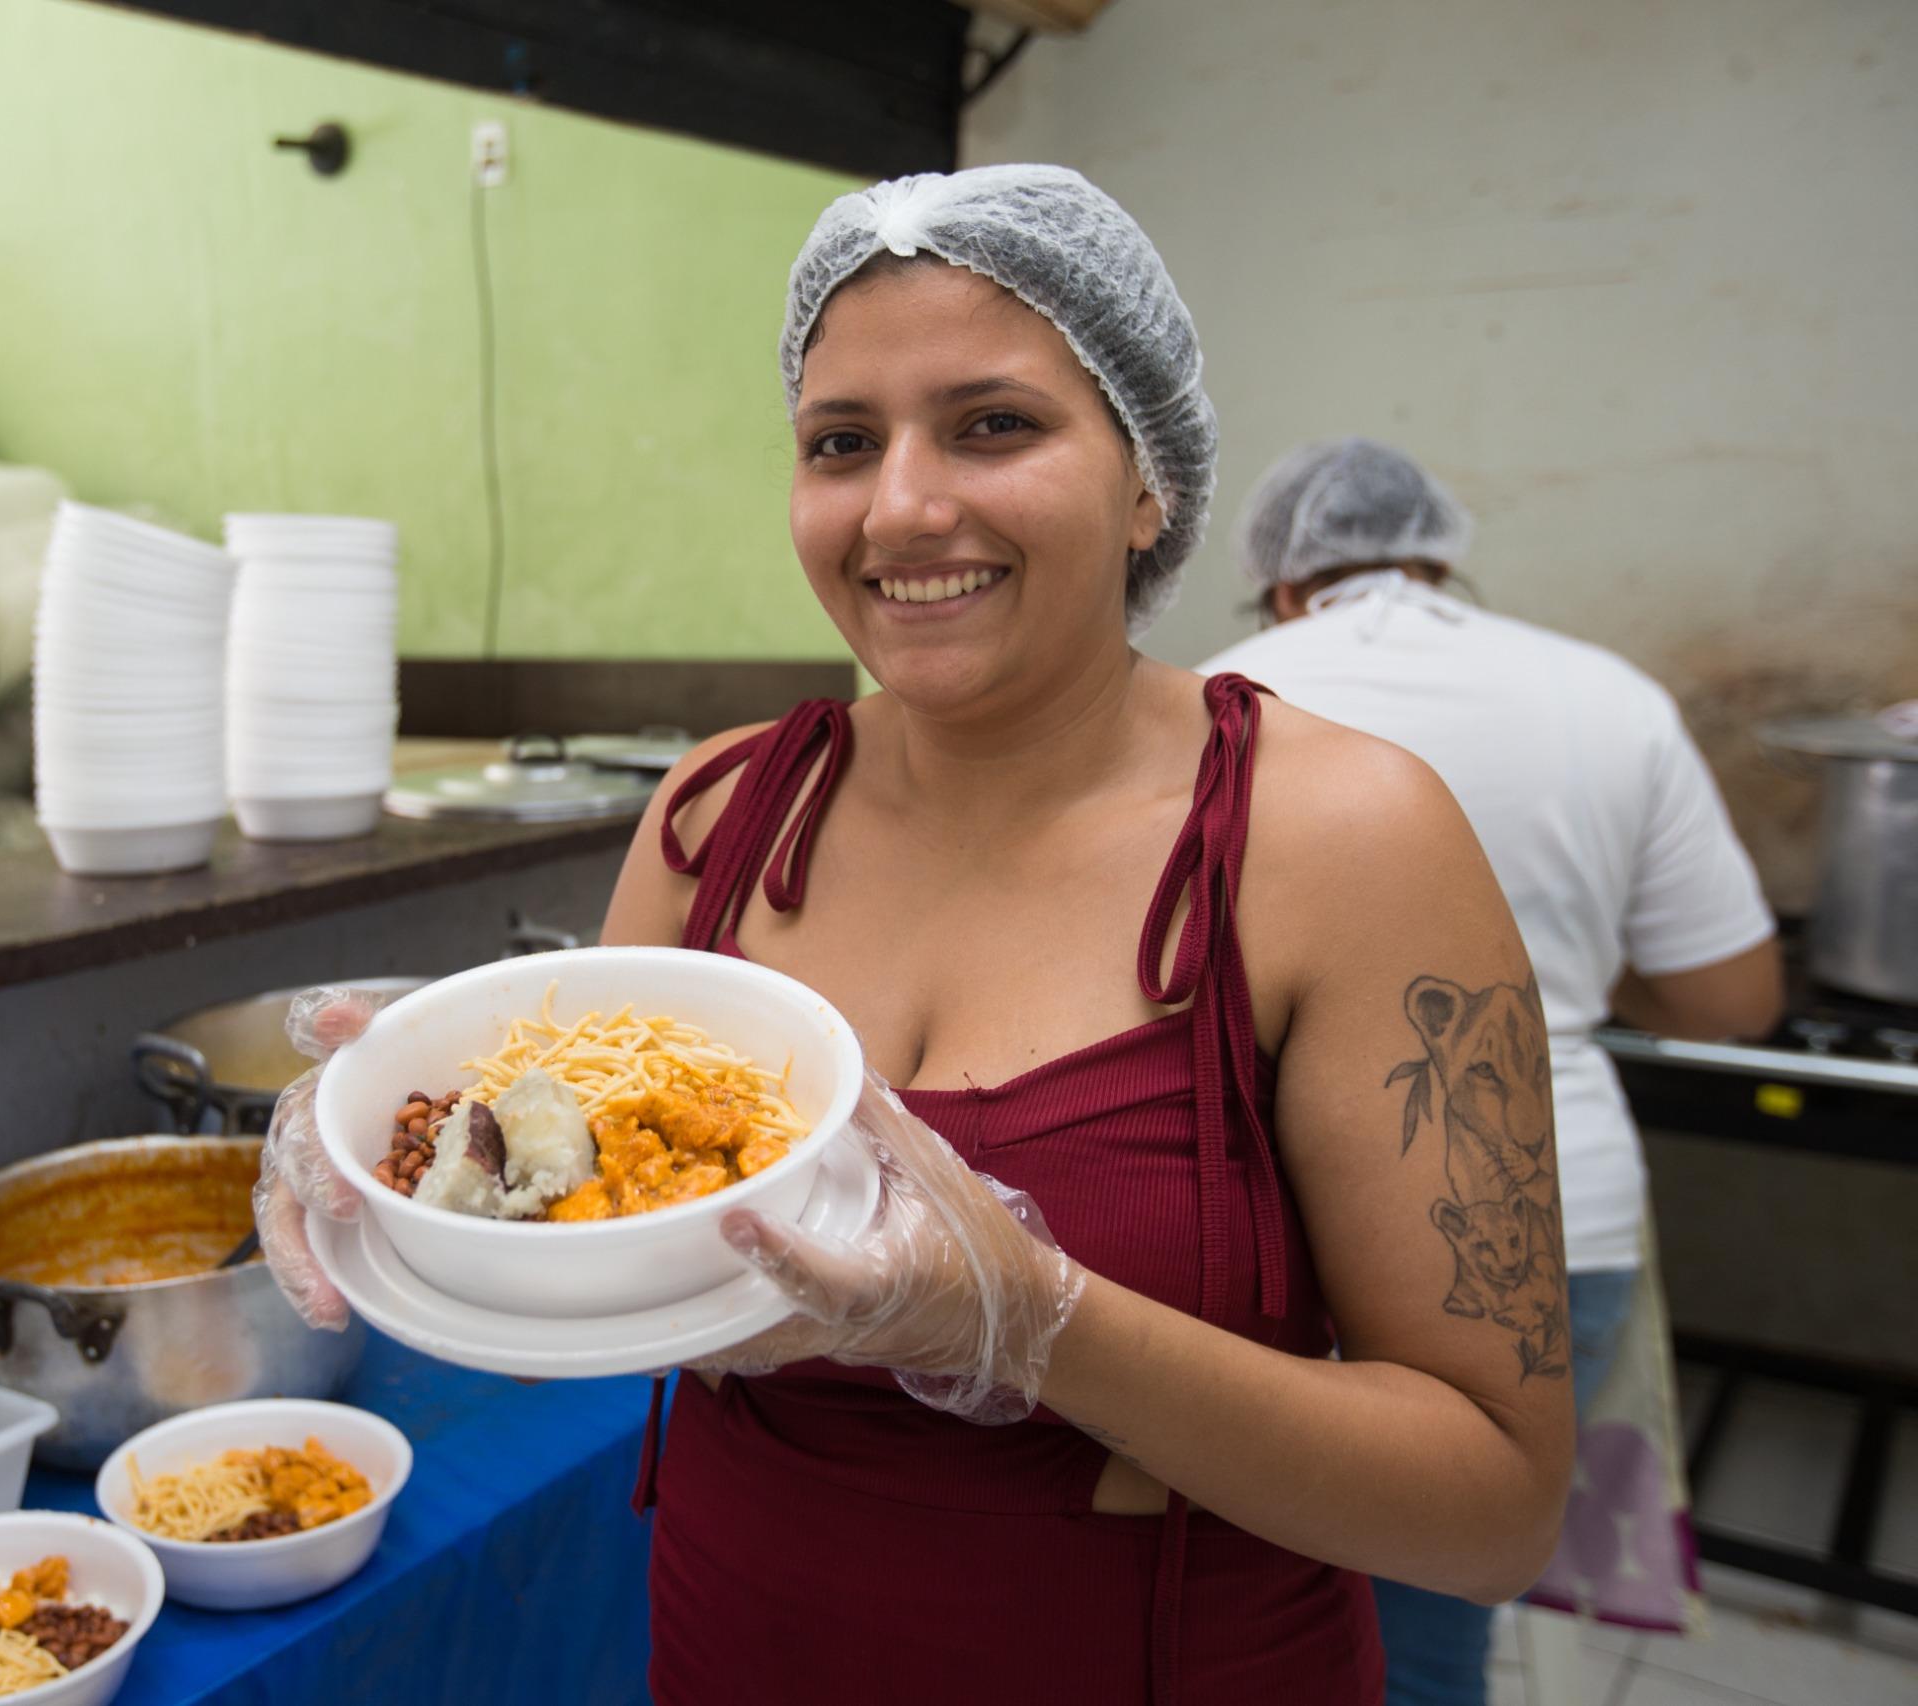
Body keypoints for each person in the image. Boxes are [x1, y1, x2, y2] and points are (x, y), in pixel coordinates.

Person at [258, 167, 1577, 1705]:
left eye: (994, 423)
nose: (901, 506)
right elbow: (605, 1240)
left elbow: (1496, 1506)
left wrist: (1033, 1320)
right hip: (738, 1636)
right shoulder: (720, 813)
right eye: (841, 443)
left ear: (1148, 477)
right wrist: (416, 1146)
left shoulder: (1338, 838)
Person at [1198, 438, 1782, 1705]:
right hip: (1552, 1217)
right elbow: (1735, 998)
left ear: (1279, 584)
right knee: (1429, 1617)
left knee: (1241, 1602)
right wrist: (1563, 979)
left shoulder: (1215, 693)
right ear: (1442, 556)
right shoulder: (1608, 694)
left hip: (1264, 1219)